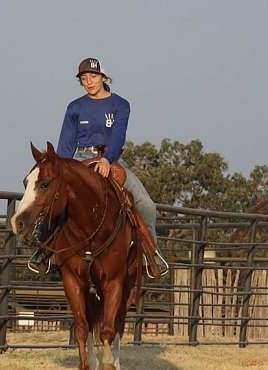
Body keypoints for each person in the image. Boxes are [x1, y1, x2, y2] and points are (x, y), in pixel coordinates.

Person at [30, 57, 168, 278]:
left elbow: (118, 135)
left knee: (147, 205)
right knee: (55, 196)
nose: (88, 82)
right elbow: (66, 143)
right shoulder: (75, 107)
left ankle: (150, 254)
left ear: (103, 77)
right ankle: (44, 251)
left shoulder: (120, 105)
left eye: (93, 76)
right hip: (80, 158)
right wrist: (61, 169)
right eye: (84, 78)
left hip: (109, 159)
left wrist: (107, 159)